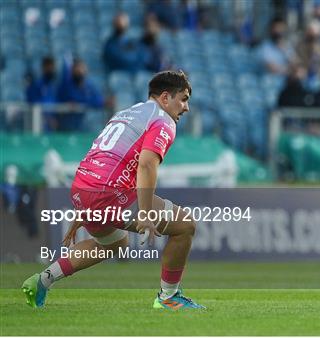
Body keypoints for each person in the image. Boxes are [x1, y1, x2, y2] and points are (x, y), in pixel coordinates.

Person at [22, 70, 205, 310]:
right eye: (183, 98)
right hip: (109, 192)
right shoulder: (163, 120)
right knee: (185, 226)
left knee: (114, 244)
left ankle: (43, 280)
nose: (186, 107)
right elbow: (147, 164)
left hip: (83, 187)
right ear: (164, 98)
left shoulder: (125, 114)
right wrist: (146, 213)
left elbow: (102, 155)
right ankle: (169, 297)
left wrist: (85, 207)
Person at [56, 58, 105, 131]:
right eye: (77, 70)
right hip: (67, 124)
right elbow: (69, 98)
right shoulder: (66, 85)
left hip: (83, 124)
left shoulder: (89, 86)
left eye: (81, 69)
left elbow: (98, 100)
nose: (79, 72)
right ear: (72, 71)